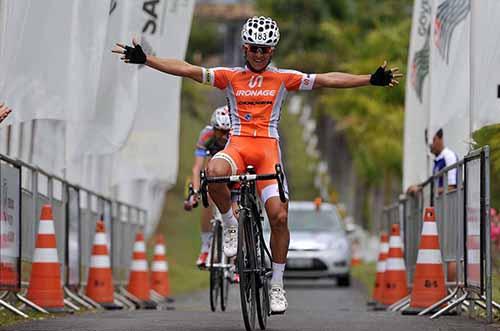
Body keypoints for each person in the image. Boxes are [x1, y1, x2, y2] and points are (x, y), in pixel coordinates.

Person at [113, 16, 402, 314]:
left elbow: (327, 79)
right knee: (213, 173)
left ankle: (276, 284)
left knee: (278, 217)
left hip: (267, 149)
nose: (259, 54)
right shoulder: (228, 76)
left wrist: (369, 79)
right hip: (237, 146)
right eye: (254, 48)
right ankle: (229, 225)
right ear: (244, 48)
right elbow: (187, 69)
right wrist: (146, 60)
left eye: (265, 50)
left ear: (272, 52)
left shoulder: (283, 78)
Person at [184, 106, 231, 268]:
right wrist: (195, 192)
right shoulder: (206, 135)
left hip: (233, 170)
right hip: (213, 168)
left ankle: (239, 255)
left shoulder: (237, 136)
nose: (223, 137)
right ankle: (205, 247)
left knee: (238, 210)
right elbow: (197, 168)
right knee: (207, 200)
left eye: (227, 132)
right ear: (213, 128)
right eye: (220, 131)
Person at [407, 128, 458, 195]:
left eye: (434, 140)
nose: (431, 146)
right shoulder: (439, 159)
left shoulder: (449, 156)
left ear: (441, 139)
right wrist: (418, 187)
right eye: (428, 143)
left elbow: (452, 187)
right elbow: (432, 180)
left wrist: (427, 192)